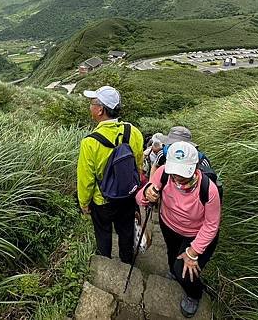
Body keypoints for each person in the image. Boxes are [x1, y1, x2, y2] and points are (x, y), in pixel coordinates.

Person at [137, 141, 221, 318]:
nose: (177, 177)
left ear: (195, 167)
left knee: (185, 270)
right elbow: (140, 198)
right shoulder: (164, 174)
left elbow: (212, 225)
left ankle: (194, 294)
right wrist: (146, 194)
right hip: (169, 226)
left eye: (183, 172)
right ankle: (175, 274)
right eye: (174, 171)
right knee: (171, 256)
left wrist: (193, 252)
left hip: (196, 234)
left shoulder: (208, 189)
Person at [77, 85, 144, 264]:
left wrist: (84, 203)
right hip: (128, 196)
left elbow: (86, 179)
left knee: (103, 233)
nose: (90, 106)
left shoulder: (90, 142)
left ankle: (105, 263)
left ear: (100, 110)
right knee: (126, 231)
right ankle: (126, 261)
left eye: (92, 103)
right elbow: (138, 165)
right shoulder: (133, 132)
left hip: (102, 200)